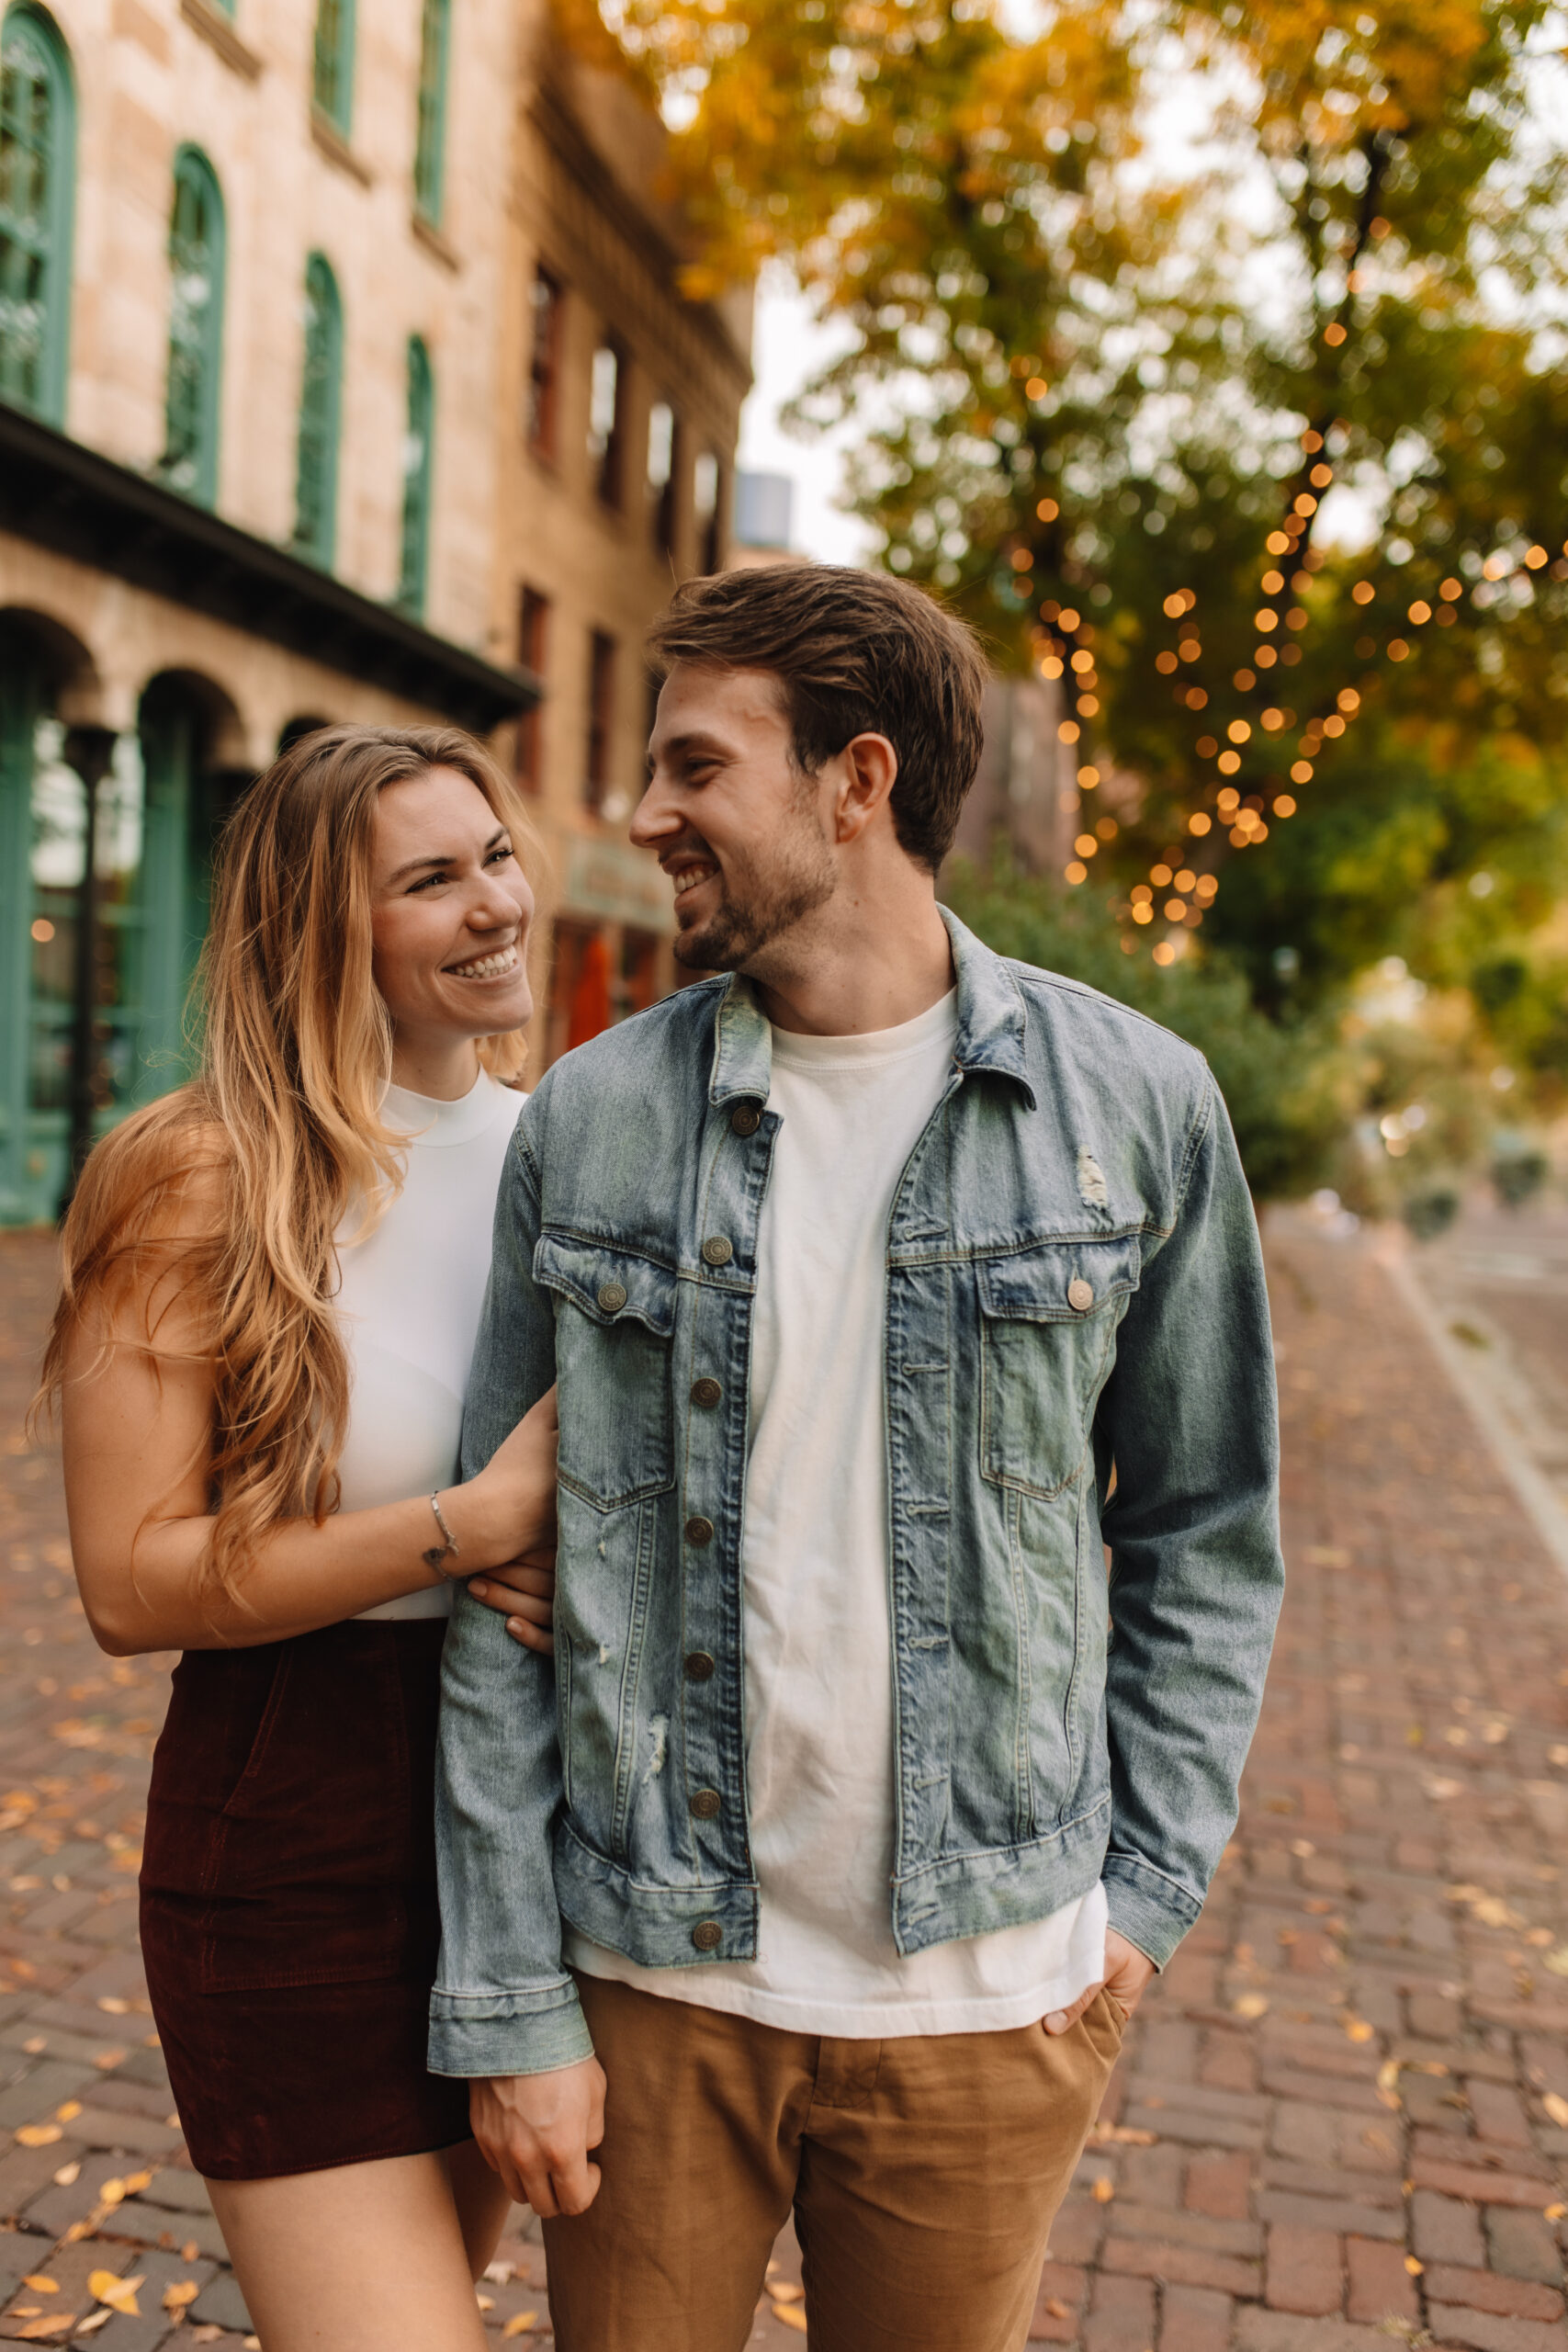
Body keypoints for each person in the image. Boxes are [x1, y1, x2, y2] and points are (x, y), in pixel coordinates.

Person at [432, 566, 1286, 2352]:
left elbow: (1207, 1527)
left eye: (692, 765)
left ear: (855, 780)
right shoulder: (591, 1116)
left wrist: (1136, 1892)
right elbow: (500, 1600)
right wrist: (512, 1995)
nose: (645, 811)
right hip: (655, 1974)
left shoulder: (1133, 1103)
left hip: (985, 2000)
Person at [39, 725, 561, 2352]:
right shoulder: (201, 1176)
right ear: (325, 930)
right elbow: (131, 1584)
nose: (497, 905)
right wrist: (459, 1529)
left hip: (538, 1824)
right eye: (432, 880)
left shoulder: (575, 1152)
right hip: (297, 1824)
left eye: (495, 855)